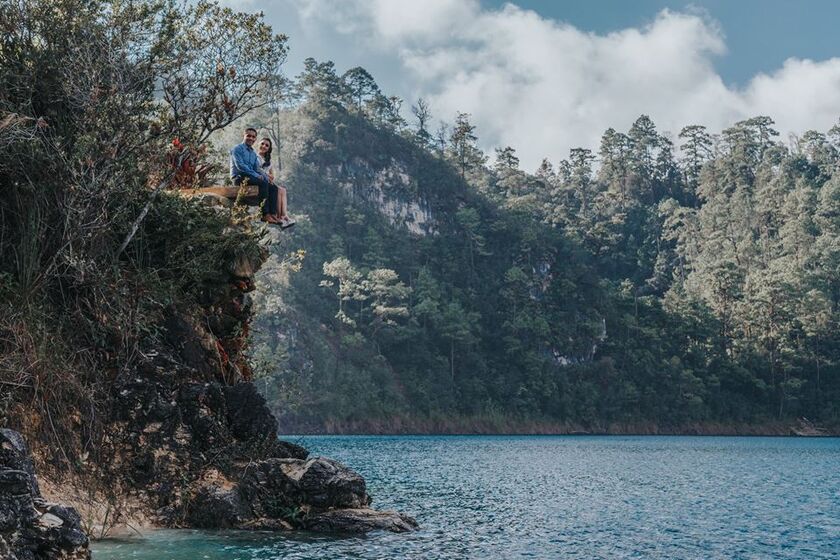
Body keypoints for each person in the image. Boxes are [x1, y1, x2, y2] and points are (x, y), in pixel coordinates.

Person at [230, 127, 281, 224]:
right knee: (262, 183)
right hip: (239, 177)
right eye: (248, 136)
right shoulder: (237, 149)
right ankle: (264, 214)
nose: (251, 138)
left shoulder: (253, 153)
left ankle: (272, 214)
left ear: (255, 139)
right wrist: (257, 176)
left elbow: (256, 169)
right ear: (244, 136)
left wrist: (266, 178)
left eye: (253, 137)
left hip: (250, 177)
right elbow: (240, 166)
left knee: (273, 187)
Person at [256, 137, 295, 229]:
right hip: (260, 181)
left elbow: (272, 175)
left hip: (267, 181)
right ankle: (279, 216)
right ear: (258, 144)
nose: (264, 146)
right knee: (277, 189)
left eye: (266, 145)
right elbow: (257, 170)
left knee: (283, 190)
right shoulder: (255, 157)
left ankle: (284, 216)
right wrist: (267, 175)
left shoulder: (268, 160)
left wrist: (270, 176)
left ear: (269, 148)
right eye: (262, 144)